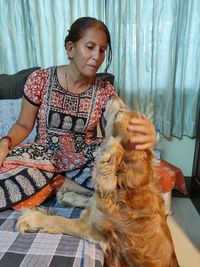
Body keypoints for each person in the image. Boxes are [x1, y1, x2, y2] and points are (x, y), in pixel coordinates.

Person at [0, 17, 156, 211]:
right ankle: (61, 186)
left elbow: (121, 119)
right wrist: (4, 144)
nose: (97, 56)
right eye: (90, 47)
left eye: (102, 50)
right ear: (70, 48)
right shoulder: (39, 79)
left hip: (84, 158)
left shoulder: (105, 91)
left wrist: (143, 132)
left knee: (136, 185)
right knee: (9, 184)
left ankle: (59, 187)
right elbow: (23, 125)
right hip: (43, 156)